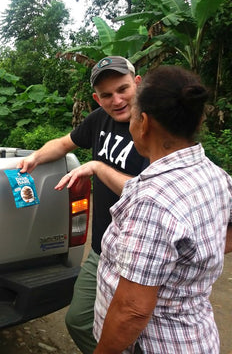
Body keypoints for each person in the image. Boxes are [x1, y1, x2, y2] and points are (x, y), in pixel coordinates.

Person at [93, 65, 232, 354]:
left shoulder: (152, 200)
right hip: (196, 336)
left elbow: (133, 310)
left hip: (155, 344)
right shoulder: (217, 175)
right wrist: (186, 269)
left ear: (143, 123)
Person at [17, 56, 148, 353]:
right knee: (79, 320)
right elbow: (64, 143)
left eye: (123, 89)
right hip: (102, 247)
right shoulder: (99, 120)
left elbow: (150, 192)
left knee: (135, 328)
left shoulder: (155, 125)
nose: (116, 100)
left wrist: (98, 168)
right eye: (106, 95)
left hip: (139, 254)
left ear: (137, 83)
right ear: (96, 98)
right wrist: (35, 157)